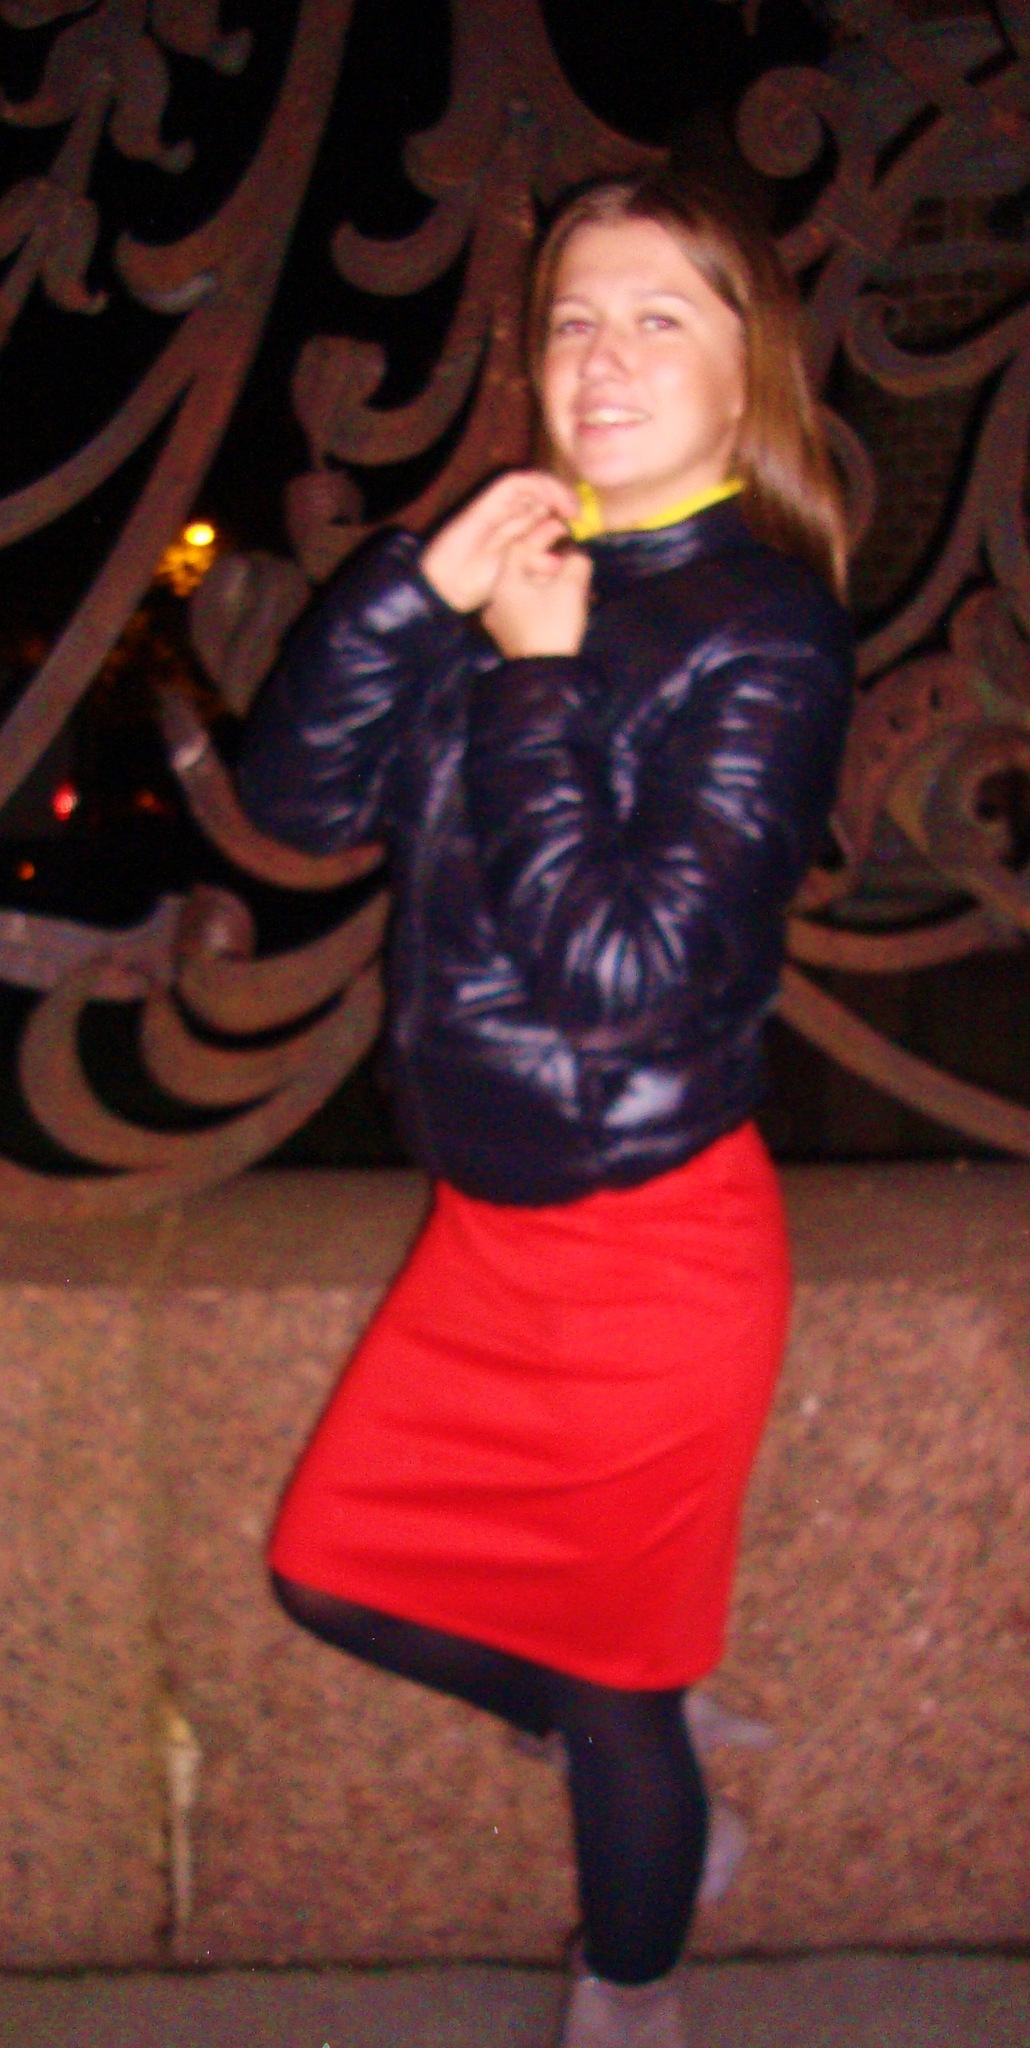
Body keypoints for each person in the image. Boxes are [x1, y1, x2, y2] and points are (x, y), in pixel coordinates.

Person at [236, 168, 853, 2048]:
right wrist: (412, 591)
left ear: (747, 369)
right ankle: (616, 1727)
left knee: (616, 1697)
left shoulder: (763, 625)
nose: (603, 356)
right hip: (487, 1230)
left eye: (660, 316)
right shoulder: (508, 564)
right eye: (575, 317)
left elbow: (627, 976)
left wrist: (532, 680)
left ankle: (631, 1986)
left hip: (648, 1246)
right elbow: (297, 798)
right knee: (327, 1573)